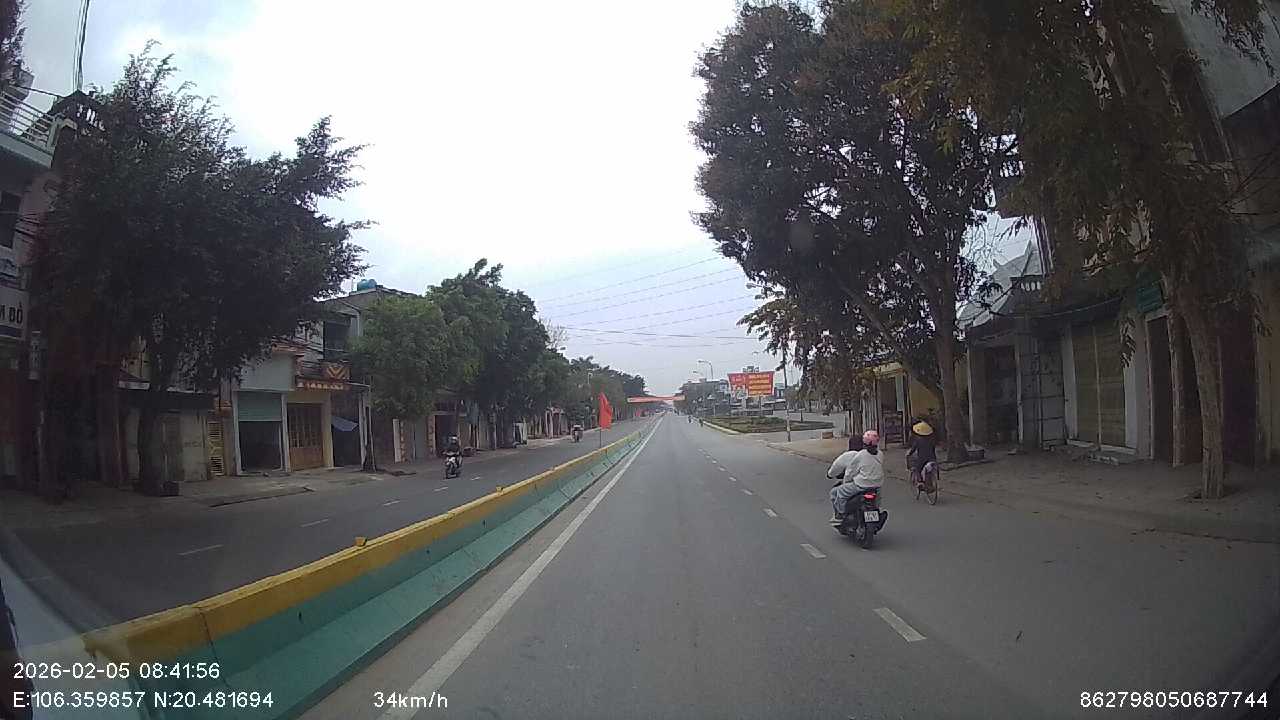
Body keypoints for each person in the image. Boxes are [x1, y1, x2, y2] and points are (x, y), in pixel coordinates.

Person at [827, 430, 885, 523]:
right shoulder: (880, 454)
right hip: (877, 485)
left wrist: (846, 481)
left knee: (839, 492)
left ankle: (840, 514)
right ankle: (878, 511)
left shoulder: (861, 455)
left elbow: (850, 471)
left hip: (861, 485)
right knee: (878, 498)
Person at [906, 419, 938, 490]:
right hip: (932, 458)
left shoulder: (918, 440)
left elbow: (913, 450)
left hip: (922, 459)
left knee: (917, 469)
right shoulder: (931, 440)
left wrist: (909, 454)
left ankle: (920, 482)